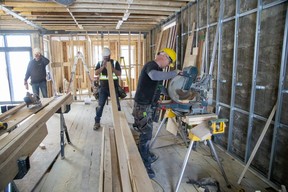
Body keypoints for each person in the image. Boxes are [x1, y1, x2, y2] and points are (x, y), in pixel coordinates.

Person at [132, 47, 179, 178]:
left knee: (145, 133)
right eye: (169, 63)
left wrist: (172, 94)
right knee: (146, 135)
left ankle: (144, 152)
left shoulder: (159, 70)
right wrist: (175, 73)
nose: (168, 66)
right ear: (165, 57)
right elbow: (154, 76)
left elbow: (159, 86)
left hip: (149, 106)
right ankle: (144, 162)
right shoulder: (151, 65)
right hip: (143, 107)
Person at [94, 47, 122, 130]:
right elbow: (96, 72)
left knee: (117, 105)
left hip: (114, 87)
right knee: (100, 105)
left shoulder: (115, 63)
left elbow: (119, 73)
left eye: (107, 57)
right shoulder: (99, 63)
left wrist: (111, 68)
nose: (106, 59)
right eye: (104, 57)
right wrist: (103, 66)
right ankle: (97, 122)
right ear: (102, 56)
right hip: (103, 88)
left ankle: (119, 122)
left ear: (110, 55)